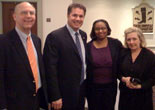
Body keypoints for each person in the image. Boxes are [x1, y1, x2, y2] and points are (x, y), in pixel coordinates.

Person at [0, 2, 48, 110]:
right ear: (14, 16)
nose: (28, 16)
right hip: (14, 102)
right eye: (24, 13)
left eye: (32, 13)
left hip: (36, 100)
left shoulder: (37, 40)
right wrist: (2, 106)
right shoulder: (3, 41)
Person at [43, 3, 87, 110]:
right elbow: (50, 69)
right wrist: (55, 96)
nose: (78, 19)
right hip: (63, 94)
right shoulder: (55, 36)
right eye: (74, 15)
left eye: (81, 16)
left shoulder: (83, 35)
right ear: (68, 15)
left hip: (81, 90)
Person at [86, 19, 122, 110]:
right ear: (93, 31)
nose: (100, 31)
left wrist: (142, 49)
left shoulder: (115, 43)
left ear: (108, 29)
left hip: (110, 87)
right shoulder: (87, 46)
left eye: (103, 28)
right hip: (92, 87)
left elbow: (126, 54)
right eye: (97, 29)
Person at [118, 27, 155, 110]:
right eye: (129, 40)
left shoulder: (149, 56)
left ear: (140, 39)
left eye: (134, 39)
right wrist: (124, 79)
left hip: (143, 96)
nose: (131, 42)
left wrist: (140, 86)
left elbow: (153, 78)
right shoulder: (122, 54)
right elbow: (117, 72)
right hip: (125, 95)